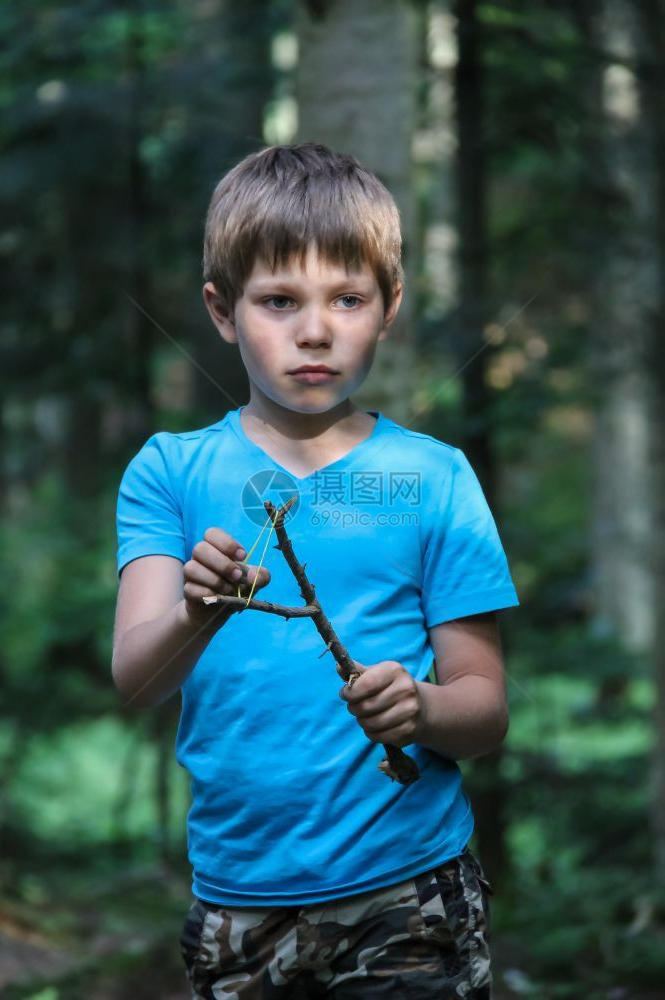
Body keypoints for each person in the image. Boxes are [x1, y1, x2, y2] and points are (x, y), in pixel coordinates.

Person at [113, 142, 519, 999]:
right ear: (222, 312)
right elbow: (136, 678)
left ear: (389, 307)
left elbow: (483, 712)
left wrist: (422, 706)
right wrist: (198, 612)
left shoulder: (433, 477)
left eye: (346, 298)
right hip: (236, 904)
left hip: (409, 896)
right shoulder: (167, 472)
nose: (314, 329)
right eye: (277, 300)